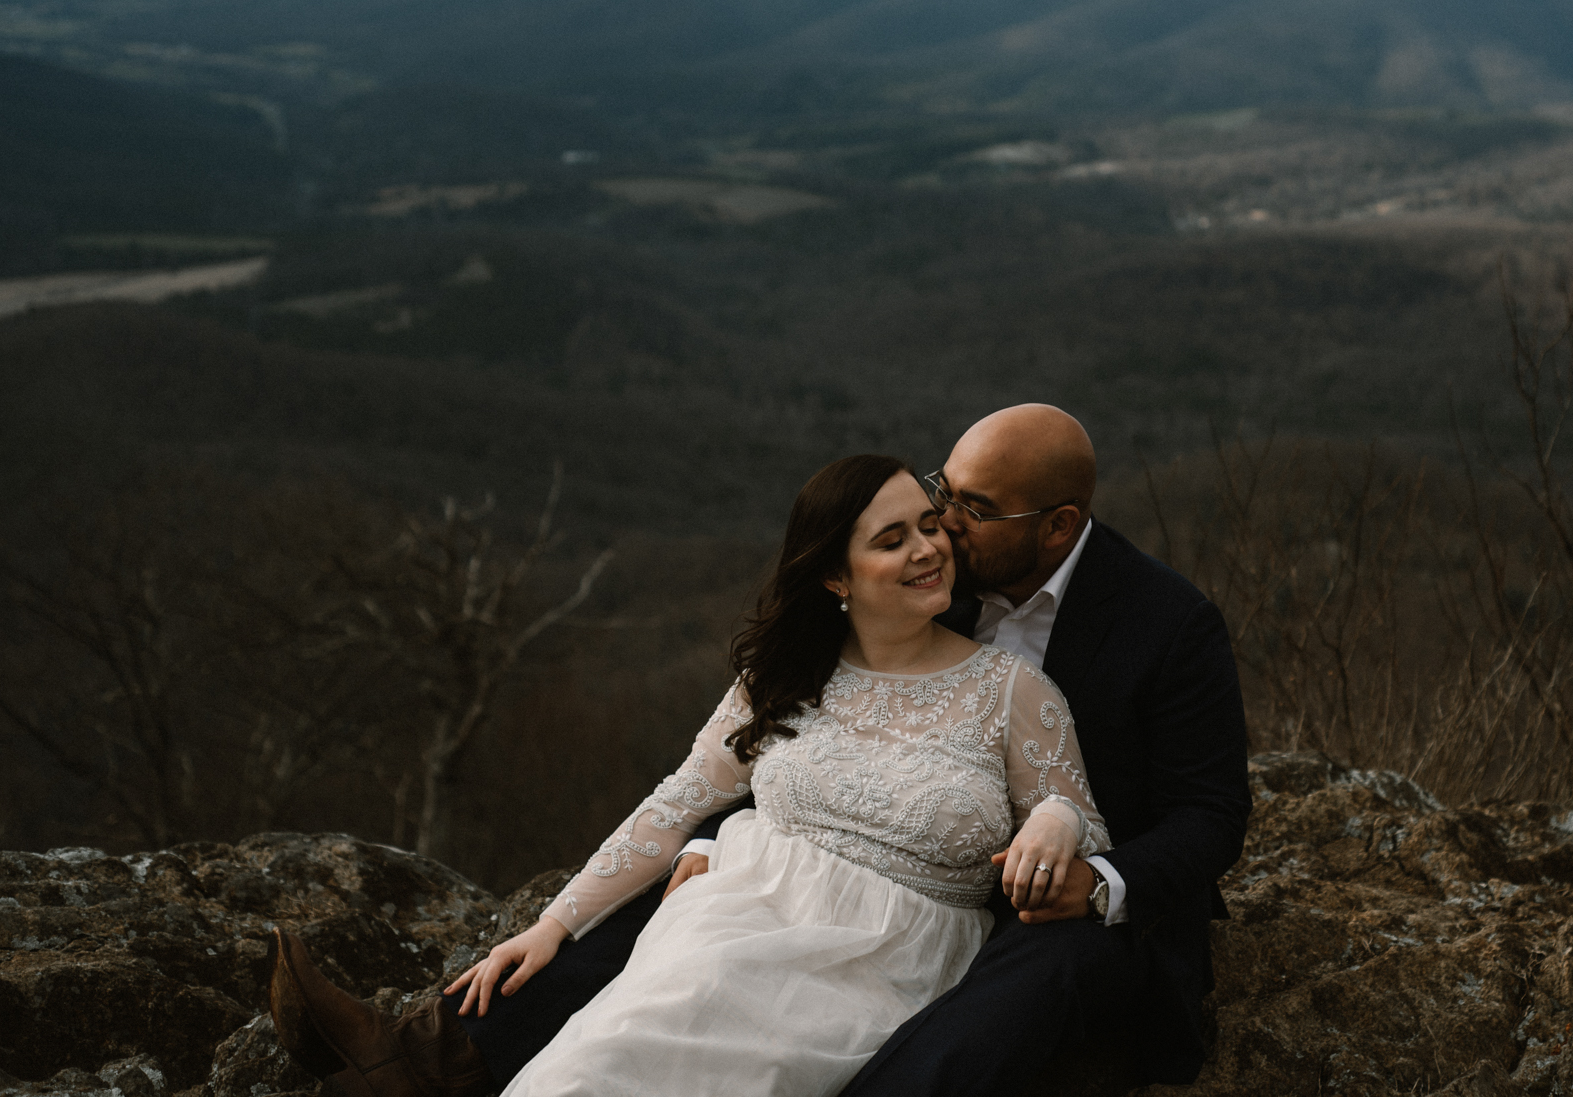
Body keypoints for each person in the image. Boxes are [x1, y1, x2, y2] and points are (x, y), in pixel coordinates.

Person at [271, 405, 1251, 1094]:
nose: (942, 522)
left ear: (1057, 529)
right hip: (892, 853)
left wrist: (1097, 879)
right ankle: (420, 1059)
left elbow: (1210, 816)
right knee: (710, 877)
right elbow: (838, 728)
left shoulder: (1167, 625)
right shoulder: (934, 567)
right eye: (937, 488)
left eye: (969, 508)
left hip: (1054, 904)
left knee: (1039, 969)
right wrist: (739, 830)